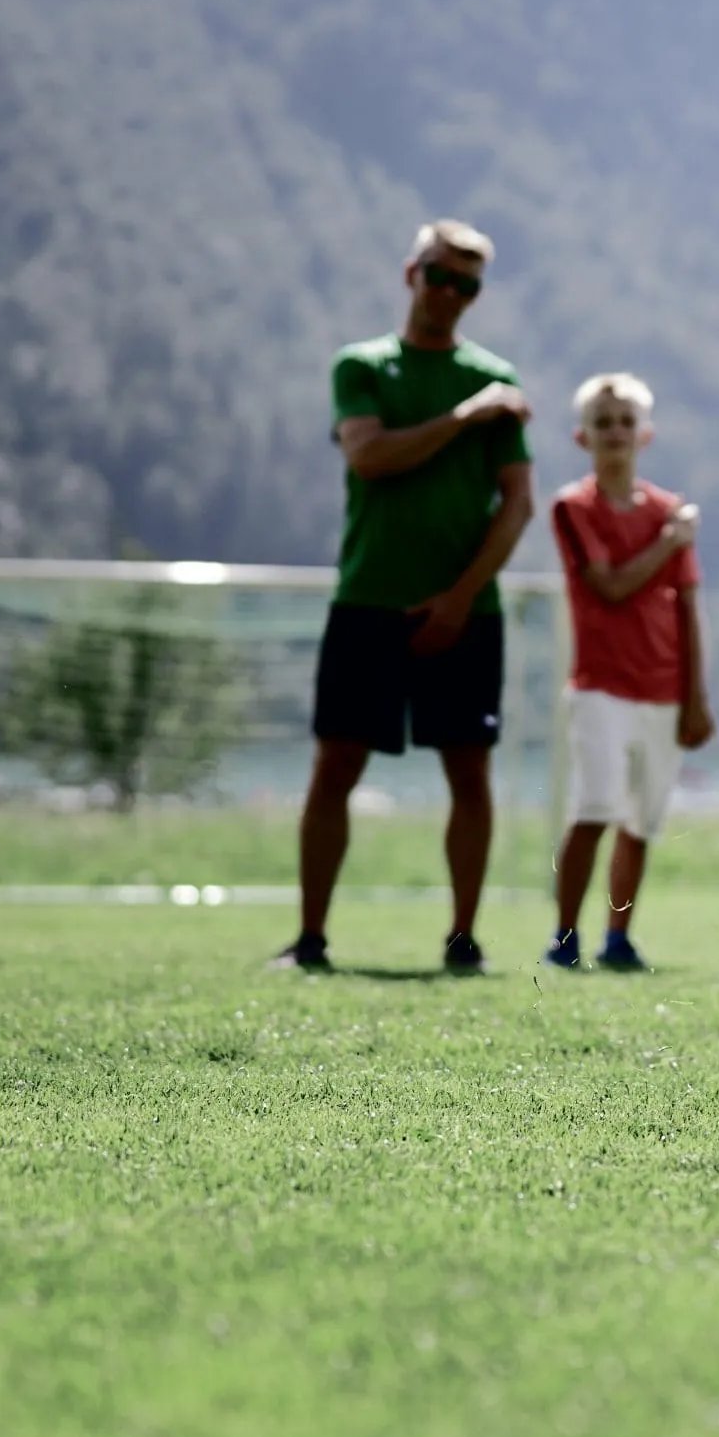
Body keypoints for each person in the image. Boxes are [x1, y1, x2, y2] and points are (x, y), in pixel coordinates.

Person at [274, 220, 534, 973]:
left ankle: (463, 941)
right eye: (441, 276)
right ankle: (311, 941)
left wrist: (459, 598)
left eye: (468, 284)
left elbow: (516, 504)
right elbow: (370, 456)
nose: (451, 294)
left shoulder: (497, 380)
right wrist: (466, 416)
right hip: (368, 601)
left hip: (468, 615)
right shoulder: (362, 367)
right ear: (410, 273)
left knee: (469, 774)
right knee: (335, 767)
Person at [543, 373, 715, 971]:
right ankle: (563, 936)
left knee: (641, 821)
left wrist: (697, 698)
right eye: (602, 423)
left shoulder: (669, 511)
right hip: (599, 687)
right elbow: (610, 586)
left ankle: (617, 938)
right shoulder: (572, 508)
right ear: (581, 436)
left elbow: (689, 608)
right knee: (592, 811)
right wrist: (670, 543)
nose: (614, 433)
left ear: (644, 434)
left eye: (623, 422)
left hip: (664, 691)